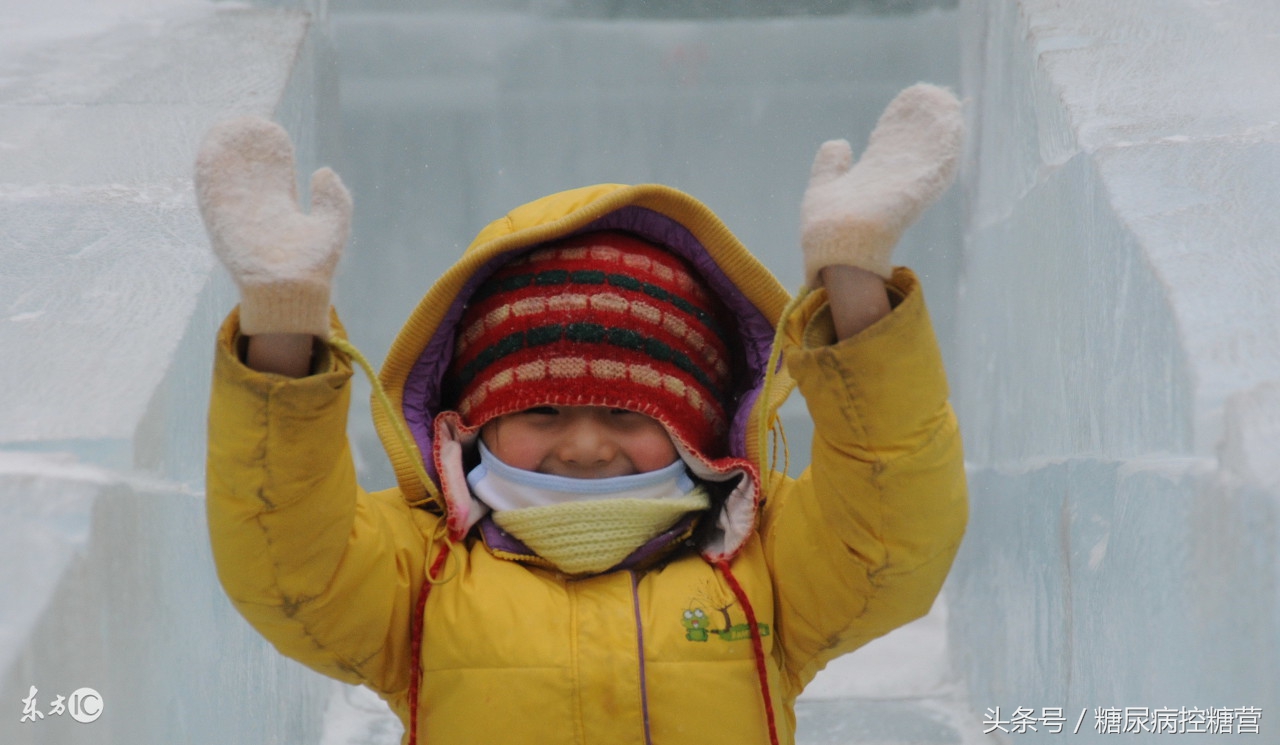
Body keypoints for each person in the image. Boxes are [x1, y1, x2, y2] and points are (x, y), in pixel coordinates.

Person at [196, 83, 968, 745]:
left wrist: (854, 276)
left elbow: (891, 534)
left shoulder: (760, 560)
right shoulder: (420, 573)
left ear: (698, 427)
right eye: (542, 410)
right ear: (474, 422)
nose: (586, 446)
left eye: (630, 415)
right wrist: (282, 317)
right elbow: (288, 556)